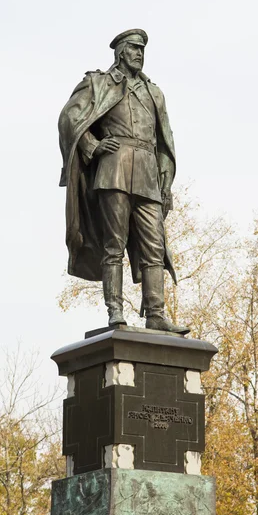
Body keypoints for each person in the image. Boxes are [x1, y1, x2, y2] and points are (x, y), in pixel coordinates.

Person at [58, 29, 189, 334]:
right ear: (119, 52)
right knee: (113, 244)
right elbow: (68, 118)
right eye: (133, 48)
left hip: (147, 174)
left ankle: (156, 313)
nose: (139, 54)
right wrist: (91, 146)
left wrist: (165, 182)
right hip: (113, 170)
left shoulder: (154, 93)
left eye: (142, 49)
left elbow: (164, 141)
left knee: (154, 247)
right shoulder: (99, 83)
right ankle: (115, 310)